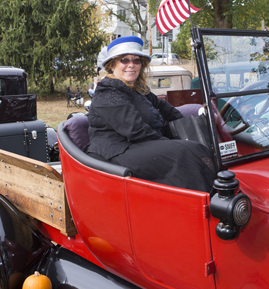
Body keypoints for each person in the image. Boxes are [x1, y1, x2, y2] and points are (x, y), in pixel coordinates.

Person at [86, 36, 214, 192]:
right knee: (184, 152)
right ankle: (202, 204)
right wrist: (168, 142)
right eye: (124, 60)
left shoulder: (138, 89)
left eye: (136, 60)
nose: (131, 65)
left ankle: (217, 194)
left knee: (201, 145)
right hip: (115, 151)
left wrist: (190, 124)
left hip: (137, 145)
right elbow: (135, 129)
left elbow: (165, 108)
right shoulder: (108, 91)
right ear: (112, 65)